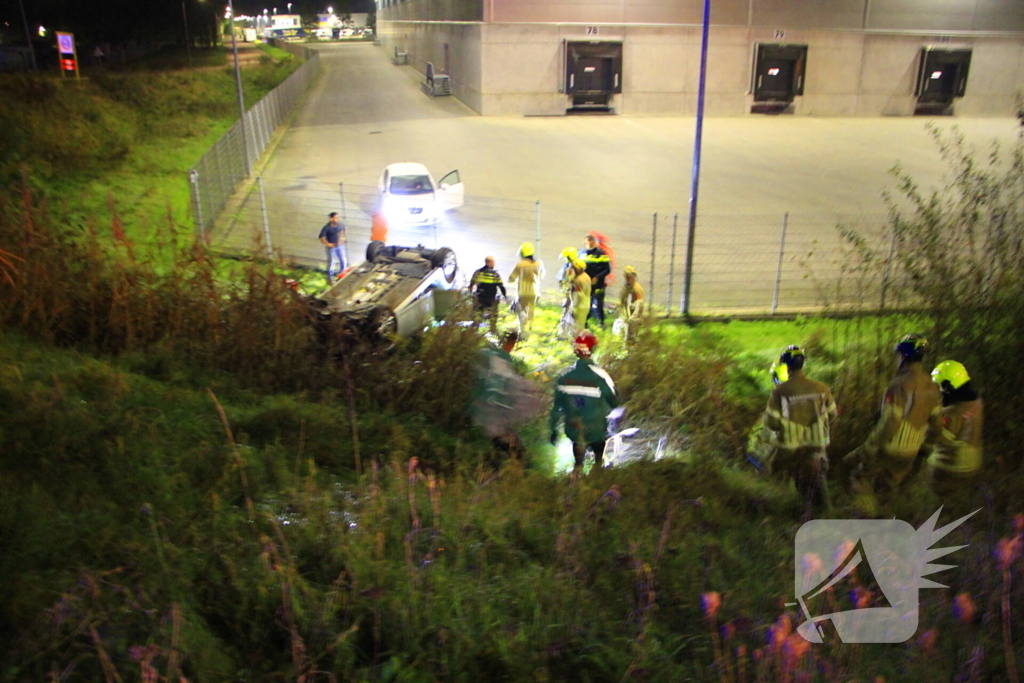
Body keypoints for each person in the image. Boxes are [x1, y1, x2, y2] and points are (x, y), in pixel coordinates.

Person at [844, 333, 942, 494]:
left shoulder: (898, 386)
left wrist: (869, 448)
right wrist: (925, 448)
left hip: (890, 449)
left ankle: (866, 513)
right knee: (888, 487)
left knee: (851, 470)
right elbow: (937, 425)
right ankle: (888, 510)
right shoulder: (931, 386)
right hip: (911, 452)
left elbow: (890, 423)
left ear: (903, 356)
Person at [763, 346, 838, 511]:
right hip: (818, 446)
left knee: (774, 468)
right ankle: (827, 515)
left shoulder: (780, 391)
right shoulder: (821, 388)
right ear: (802, 364)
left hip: (790, 449)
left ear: (786, 366)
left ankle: (780, 509)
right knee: (819, 483)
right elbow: (833, 415)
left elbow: (772, 424)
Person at [550, 330, 619, 471]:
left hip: (573, 428)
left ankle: (577, 468)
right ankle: (597, 468)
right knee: (600, 442)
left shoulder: (564, 377)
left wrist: (553, 430)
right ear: (592, 350)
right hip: (596, 429)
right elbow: (614, 402)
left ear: (575, 351)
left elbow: (556, 408)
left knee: (577, 443)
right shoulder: (600, 375)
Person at [926, 360, 983, 495]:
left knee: (929, 455)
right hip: (975, 462)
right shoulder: (977, 402)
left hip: (953, 467)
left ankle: (939, 496)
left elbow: (938, 438)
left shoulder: (951, 413)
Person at [508, 242, 545, 340]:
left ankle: (523, 332)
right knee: (530, 311)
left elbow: (512, 277)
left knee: (521, 311)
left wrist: (510, 280)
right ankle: (528, 329)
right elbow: (542, 275)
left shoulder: (520, 264)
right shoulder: (539, 263)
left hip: (522, 292)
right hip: (534, 292)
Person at [470, 256, 507, 334]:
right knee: (493, 314)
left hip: (480, 297)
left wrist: (471, 293)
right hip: (490, 299)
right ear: (489, 263)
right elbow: (501, 286)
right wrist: (504, 296)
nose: (494, 264)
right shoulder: (495, 274)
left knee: (477, 313)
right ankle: (493, 329)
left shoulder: (478, 272)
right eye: (493, 262)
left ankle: (475, 329)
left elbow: (471, 284)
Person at [582, 233, 612, 328]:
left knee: (599, 303)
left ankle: (601, 322)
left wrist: (597, 277)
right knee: (587, 303)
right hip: (587, 284)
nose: (589, 244)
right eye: (587, 242)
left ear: (594, 243)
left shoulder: (601, 254)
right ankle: (585, 322)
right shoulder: (582, 254)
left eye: (591, 242)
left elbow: (607, 269)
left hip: (598, 283)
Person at [617, 265, 645, 342]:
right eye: (626, 277)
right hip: (626, 316)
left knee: (631, 336)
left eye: (629, 277)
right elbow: (622, 300)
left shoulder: (637, 289)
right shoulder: (626, 287)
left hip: (633, 318)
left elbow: (639, 305)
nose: (628, 279)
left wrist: (633, 318)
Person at [318, 212, 347, 284]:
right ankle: (330, 279)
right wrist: (328, 244)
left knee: (343, 260)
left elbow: (342, 231)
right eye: (335, 217)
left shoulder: (340, 225)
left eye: (338, 217)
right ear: (331, 218)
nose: (337, 219)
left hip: (339, 246)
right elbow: (321, 237)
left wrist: (342, 239)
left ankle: (341, 275)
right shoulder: (327, 227)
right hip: (332, 248)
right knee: (332, 263)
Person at [570, 259, 592, 334]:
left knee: (577, 327)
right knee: (581, 325)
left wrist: (573, 307)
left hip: (579, 305)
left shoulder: (578, 280)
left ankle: (578, 341)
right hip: (587, 303)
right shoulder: (587, 276)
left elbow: (577, 295)